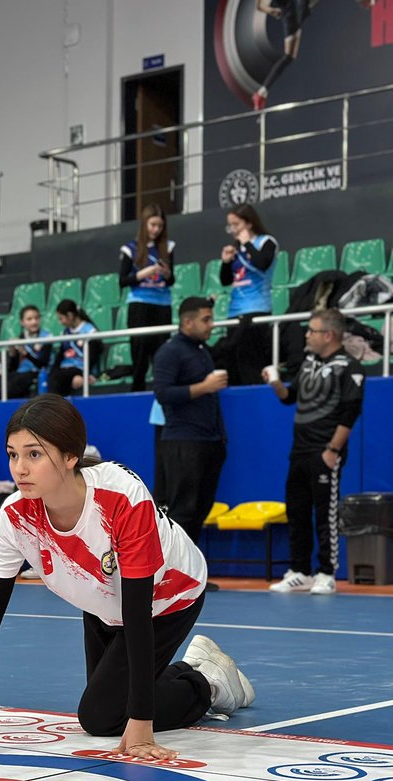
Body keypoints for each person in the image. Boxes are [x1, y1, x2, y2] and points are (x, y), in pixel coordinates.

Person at [0, 395, 253, 759]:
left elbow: (137, 612)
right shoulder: (14, 518)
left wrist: (142, 723)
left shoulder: (121, 496)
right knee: (111, 706)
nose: (19, 469)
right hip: (102, 600)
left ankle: (209, 683)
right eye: (12, 455)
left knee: (101, 716)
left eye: (34, 454)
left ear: (70, 456)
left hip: (168, 598)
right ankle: (192, 667)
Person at [263, 308, 363, 594]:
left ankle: (327, 572)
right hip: (299, 450)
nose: (307, 335)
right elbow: (290, 397)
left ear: (328, 335)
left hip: (325, 451)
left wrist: (332, 450)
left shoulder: (350, 367)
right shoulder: (308, 362)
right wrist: (275, 382)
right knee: (296, 511)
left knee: (325, 514)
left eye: (312, 330)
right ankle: (300, 570)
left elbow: (351, 412)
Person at [153, 297, 228, 556]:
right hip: (183, 441)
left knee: (200, 509)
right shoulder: (170, 352)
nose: (211, 324)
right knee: (183, 511)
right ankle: (173, 570)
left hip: (210, 441)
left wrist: (221, 438)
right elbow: (163, 393)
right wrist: (204, 387)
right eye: (206, 319)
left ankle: (189, 569)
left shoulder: (201, 351)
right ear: (188, 322)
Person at [218, 203, 278, 386]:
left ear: (249, 223)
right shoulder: (236, 248)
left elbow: (262, 264)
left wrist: (247, 244)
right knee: (233, 361)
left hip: (256, 308)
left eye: (236, 224)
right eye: (230, 225)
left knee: (251, 362)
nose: (233, 230)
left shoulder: (266, 242)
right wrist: (226, 262)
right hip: (235, 311)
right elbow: (226, 281)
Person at [119, 203, 175, 392]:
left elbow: (171, 280)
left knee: (162, 355)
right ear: (144, 224)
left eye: (160, 226)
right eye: (153, 225)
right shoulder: (130, 248)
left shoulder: (168, 247)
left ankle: (163, 393)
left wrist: (166, 273)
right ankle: (137, 392)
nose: (156, 230)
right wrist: (144, 273)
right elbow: (122, 280)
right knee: (140, 354)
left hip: (162, 305)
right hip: (140, 306)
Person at [252, 0, 316, 111]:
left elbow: (259, 5)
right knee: (289, 56)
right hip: (292, 13)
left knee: (289, 57)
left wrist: (272, 11)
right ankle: (261, 93)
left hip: (292, 12)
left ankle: (262, 93)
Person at [47, 300, 100, 395]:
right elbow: (60, 355)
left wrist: (86, 374)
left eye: (61, 318)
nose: (60, 322)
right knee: (53, 376)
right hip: (65, 369)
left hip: (80, 368)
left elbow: (92, 356)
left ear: (70, 315)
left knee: (61, 379)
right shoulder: (65, 333)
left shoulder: (90, 331)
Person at [3, 305, 53, 398]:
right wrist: (12, 353)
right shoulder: (21, 338)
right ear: (22, 322)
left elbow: (42, 364)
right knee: (3, 378)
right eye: (29, 319)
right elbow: (13, 368)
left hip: (37, 373)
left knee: (17, 380)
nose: (34, 322)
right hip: (21, 373)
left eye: (36, 318)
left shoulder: (46, 337)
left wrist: (26, 353)